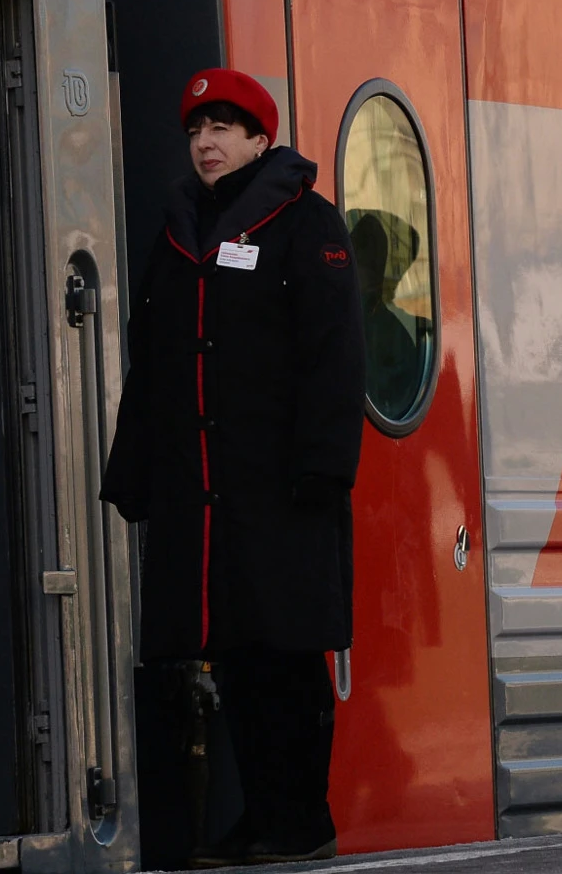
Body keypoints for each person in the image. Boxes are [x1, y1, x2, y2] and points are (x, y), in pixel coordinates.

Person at [102, 68, 364, 863]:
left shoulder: (304, 222)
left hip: (282, 487)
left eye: (223, 127)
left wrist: (323, 467)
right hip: (207, 489)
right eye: (195, 130)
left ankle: (301, 818)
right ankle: (261, 814)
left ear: (260, 138)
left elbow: (333, 354)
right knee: (238, 654)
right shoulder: (181, 230)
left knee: (287, 652)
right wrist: (135, 468)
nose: (205, 143)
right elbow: (152, 360)